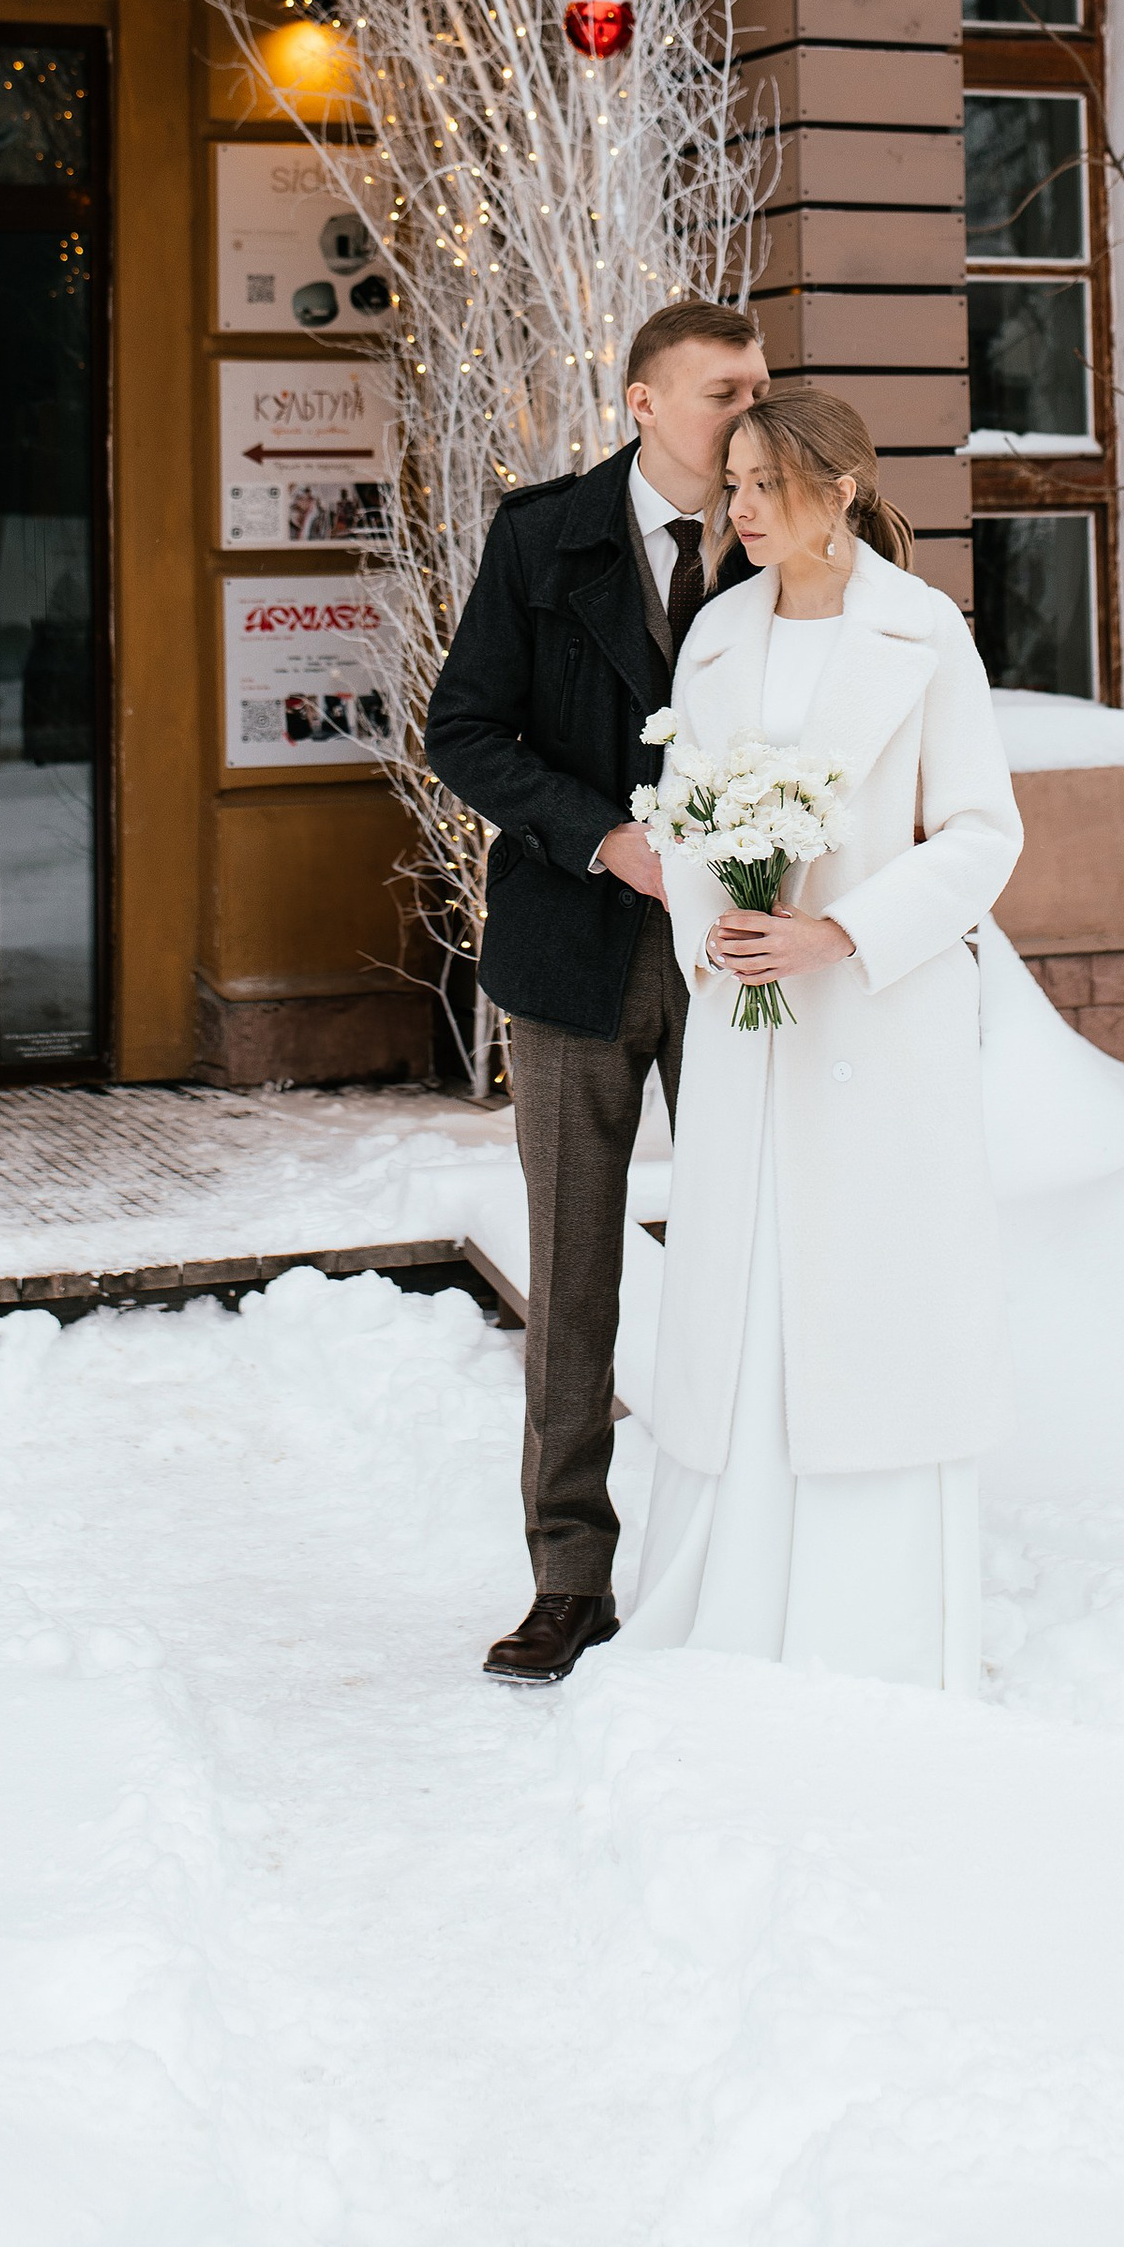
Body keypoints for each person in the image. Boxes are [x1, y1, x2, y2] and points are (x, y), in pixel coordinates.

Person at [621, 389, 1022, 1694]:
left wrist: (839, 933)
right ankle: (729, 1604)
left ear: (837, 489)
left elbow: (979, 836)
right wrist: (721, 932)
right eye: (725, 482)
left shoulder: (925, 632)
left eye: (757, 486)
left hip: (876, 1030)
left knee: (867, 1306)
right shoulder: (719, 635)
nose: (729, 508)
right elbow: (684, 822)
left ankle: (878, 1622)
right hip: (749, 1032)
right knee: (746, 1298)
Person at [425, 298, 770, 1685]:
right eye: (719, 392)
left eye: (760, 388)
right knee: (574, 1274)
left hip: (730, 959)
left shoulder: (782, 539)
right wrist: (596, 834)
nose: (747, 412)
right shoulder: (540, 534)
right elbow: (463, 730)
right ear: (640, 400)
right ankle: (571, 1576)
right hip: (572, 952)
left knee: (747, 1252)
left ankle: (741, 1553)